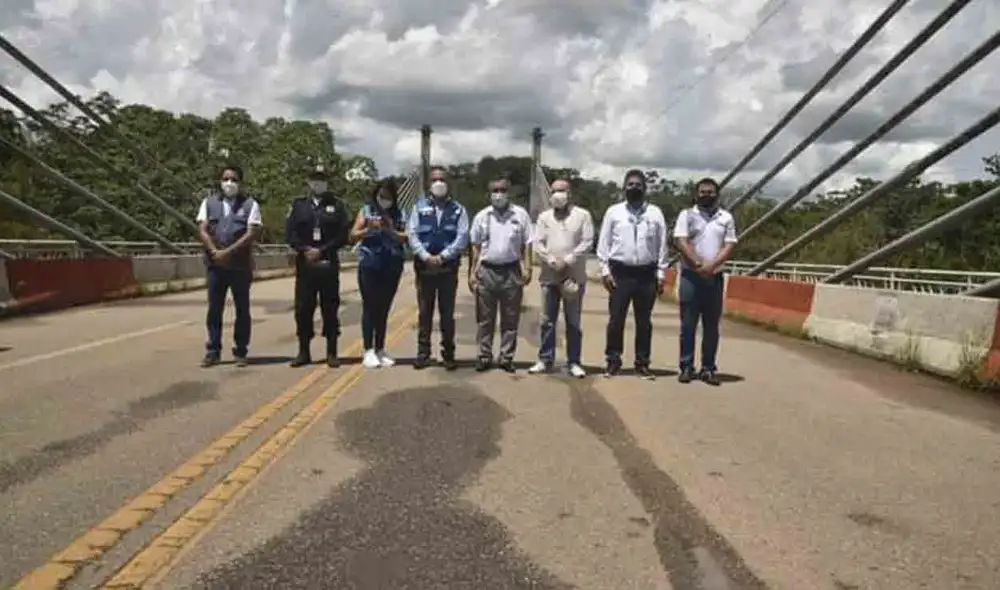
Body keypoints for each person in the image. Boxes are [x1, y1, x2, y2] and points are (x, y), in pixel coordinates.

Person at [596, 168, 670, 379]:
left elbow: (662, 244)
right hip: (620, 272)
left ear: (645, 188)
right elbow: (604, 243)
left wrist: (661, 273)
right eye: (631, 185)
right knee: (616, 319)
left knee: (644, 321)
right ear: (624, 188)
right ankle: (612, 361)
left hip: (647, 273)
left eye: (638, 185)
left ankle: (642, 363)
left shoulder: (655, 213)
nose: (634, 188)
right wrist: (605, 270)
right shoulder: (614, 212)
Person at [672, 177, 738, 385]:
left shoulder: (725, 218)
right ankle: (686, 367)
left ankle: (708, 368)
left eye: (710, 192)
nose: (706, 195)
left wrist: (711, 266)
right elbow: (680, 240)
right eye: (702, 192)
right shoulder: (687, 215)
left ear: (717, 194)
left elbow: (729, 245)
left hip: (715, 278)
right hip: (691, 276)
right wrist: (699, 264)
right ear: (696, 194)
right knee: (688, 325)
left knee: (711, 327)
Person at [196, 165, 262, 368]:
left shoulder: (250, 205)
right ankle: (213, 350)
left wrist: (228, 252)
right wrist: (215, 252)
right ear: (220, 181)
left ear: (240, 182)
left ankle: (241, 350)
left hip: (240, 267)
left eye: (233, 179)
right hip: (215, 266)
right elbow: (202, 229)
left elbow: (251, 233)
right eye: (225, 179)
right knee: (214, 309)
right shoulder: (208, 203)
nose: (229, 183)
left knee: (242, 309)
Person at [285, 164, 351, 368]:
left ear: (327, 182)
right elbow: (290, 234)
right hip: (305, 266)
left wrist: (321, 251)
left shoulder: (337, 206)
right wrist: (305, 250)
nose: (318, 182)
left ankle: (332, 352)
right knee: (303, 309)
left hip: (328, 264)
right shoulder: (299, 206)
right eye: (315, 178)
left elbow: (343, 235)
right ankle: (303, 351)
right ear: (309, 181)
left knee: (330, 308)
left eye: (321, 179)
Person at [527, 179, 594, 378]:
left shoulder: (582, 216)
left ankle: (574, 361)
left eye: (561, 191)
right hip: (549, 276)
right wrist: (550, 260)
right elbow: (538, 243)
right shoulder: (544, 217)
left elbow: (587, 241)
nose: (557, 195)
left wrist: (568, 260)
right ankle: (545, 359)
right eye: (554, 191)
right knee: (547, 320)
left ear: (569, 193)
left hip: (573, 277)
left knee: (573, 321)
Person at [406, 165, 470, 371]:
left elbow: (462, 237)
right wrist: (425, 256)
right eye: (434, 180)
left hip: (447, 268)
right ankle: (423, 354)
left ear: (448, 183)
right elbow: (412, 234)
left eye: (442, 179)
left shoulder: (459, 210)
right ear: (429, 184)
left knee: (447, 314)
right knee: (425, 313)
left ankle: (448, 354)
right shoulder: (418, 207)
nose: (438, 183)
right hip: (424, 268)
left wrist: (443, 256)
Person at [468, 178, 533, 373]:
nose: (499, 194)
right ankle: (484, 355)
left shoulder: (520, 215)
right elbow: (475, 246)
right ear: (489, 194)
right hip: (487, 270)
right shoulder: (482, 216)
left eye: (502, 190)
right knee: (485, 319)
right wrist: (472, 272)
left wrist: (528, 267)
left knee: (510, 318)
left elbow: (528, 242)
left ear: (509, 192)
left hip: (511, 270)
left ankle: (506, 357)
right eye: (495, 190)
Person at [350, 178, 407, 369]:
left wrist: (389, 229)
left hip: (392, 264)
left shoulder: (399, 214)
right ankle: (368, 350)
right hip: (370, 263)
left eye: (388, 196)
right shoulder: (366, 210)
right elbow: (353, 234)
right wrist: (368, 229)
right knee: (370, 307)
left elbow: (405, 237)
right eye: (382, 196)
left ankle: (380, 349)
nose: (385, 199)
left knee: (384, 308)